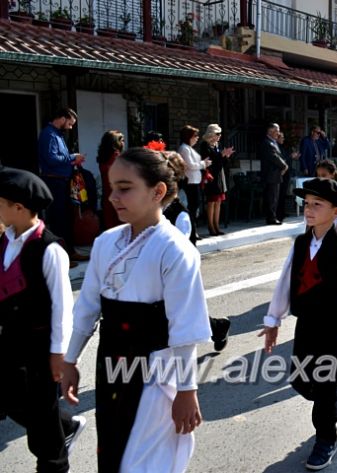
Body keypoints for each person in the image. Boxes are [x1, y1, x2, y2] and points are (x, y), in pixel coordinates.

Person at [61, 148, 212, 472]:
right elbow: (87, 308)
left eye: (125, 188)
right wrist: (70, 360)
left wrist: (187, 390)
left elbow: (184, 326)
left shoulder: (175, 249)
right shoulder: (105, 243)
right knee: (113, 448)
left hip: (156, 369)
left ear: (158, 191)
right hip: (111, 361)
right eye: (113, 187)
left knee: (144, 458)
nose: (114, 197)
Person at [258, 178, 337, 471]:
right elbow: (284, 282)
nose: (309, 209)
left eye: (318, 204)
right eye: (307, 203)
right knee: (301, 381)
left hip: (333, 329)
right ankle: (333, 398)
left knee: (324, 386)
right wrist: (273, 320)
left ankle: (325, 439)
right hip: (305, 325)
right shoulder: (301, 243)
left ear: (336, 212)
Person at [0, 167, 85, 473]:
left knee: (41, 417)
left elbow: (63, 306)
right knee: (9, 397)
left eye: (1, 202)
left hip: (39, 344)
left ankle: (54, 464)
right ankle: (66, 425)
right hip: (11, 337)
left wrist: (58, 354)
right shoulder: (6, 240)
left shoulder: (49, 249)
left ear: (18, 208)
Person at [161, 152, 232, 352]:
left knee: (182, 313)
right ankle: (218, 327)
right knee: (181, 313)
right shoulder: (154, 209)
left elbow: (179, 250)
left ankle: (217, 327)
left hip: (178, 272)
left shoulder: (180, 214)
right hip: (160, 274)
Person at [37, 107, 87, 264]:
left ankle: (69, 252)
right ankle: (62, 257)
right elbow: (51, 159)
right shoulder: (49, 134)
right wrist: (72, 157)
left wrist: (72, 160)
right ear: (63, 118)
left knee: (66, 219)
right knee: (59, 220)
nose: (71, 127)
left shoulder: (56, 134)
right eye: (70, 123)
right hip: (55, 182)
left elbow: (60, 157)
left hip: (62, 181)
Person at [199, 124, 233, 236]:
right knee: (211, 202)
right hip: (211, 177)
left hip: (219, 176)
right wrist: (221, 155)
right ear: (211, 134)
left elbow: (221, 163)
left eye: (220, 134)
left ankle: (217, 226)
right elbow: (210, 162)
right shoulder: (205, 146)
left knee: (218, 202)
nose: (220, 136)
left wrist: (225, 156)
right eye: (217, 134)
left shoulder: (216, 145)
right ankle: (211, 227)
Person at [178, 125, 210, 241]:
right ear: (188, 137)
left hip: (195, 181)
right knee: (192, 207)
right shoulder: (184, 149)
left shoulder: (189, 148)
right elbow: (190, 165)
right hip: (190, 182)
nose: (197, 138)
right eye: (195, 136)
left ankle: (194, 230)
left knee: (195, 207)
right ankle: (192, 232)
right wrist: (203, 164)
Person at [259, 123, 289, 225]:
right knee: (271, 197)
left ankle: (273, 216)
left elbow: (279, 155)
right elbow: (274, 157)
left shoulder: (273, 142)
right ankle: (271, 218)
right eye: (277, 131)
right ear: (270, 131)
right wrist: (284, 165)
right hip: (270, 175)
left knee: (274, 197)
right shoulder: (267, 143)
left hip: (275, 174)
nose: (278, 133)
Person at [97, 130, 125, 230]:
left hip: (107, 195)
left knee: (110, 227)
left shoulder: (103, 156)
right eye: (122, 140)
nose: (123, 143)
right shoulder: (116, 156)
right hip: (118, 195)